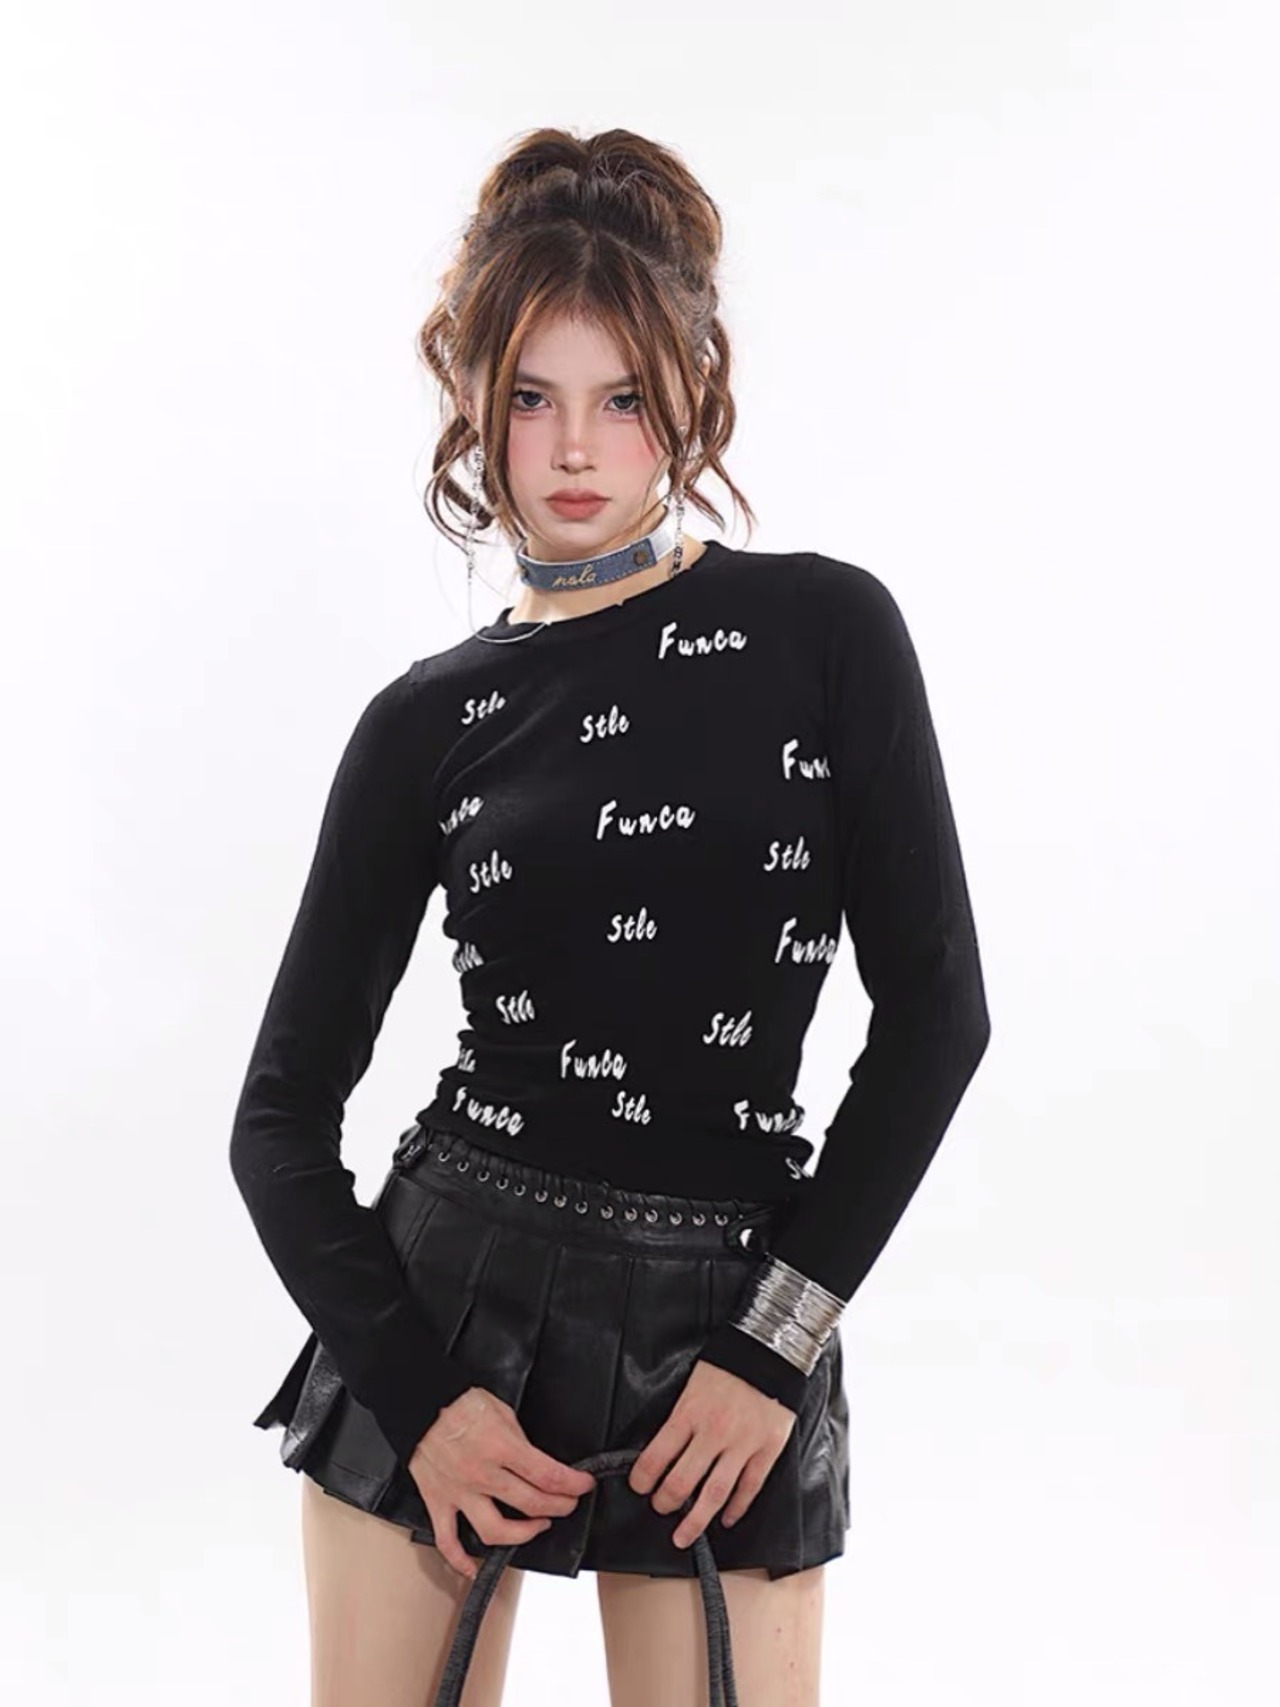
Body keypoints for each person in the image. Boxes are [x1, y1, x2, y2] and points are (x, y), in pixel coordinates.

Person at [229, 124, 991, 1707]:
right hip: (443, 1302)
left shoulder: (826, 632)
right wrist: (419, 1396)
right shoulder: (424, 721)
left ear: (691, 394)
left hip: (727, 1316)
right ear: (472, 404)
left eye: (623, 398)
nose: (574, 448)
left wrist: (774, 1345)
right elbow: (277, 1120)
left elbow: (939, 1018)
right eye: (531, 398)